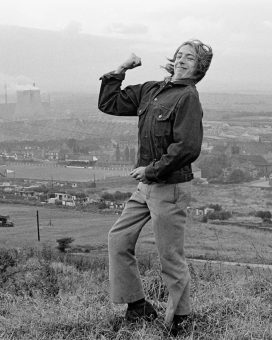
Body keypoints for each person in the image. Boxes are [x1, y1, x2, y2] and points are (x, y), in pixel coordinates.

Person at [98, 39, 213, 334]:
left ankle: (181, 319)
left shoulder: (188, 97)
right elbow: (109, 103)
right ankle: (137, 306)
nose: (182, 59)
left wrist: (151, 170)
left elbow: (187, 147)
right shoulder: (151, 90)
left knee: (170, 255)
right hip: (146, 187)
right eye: (179, 54)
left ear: (199, 68)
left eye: (190, 57)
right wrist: (122, 69)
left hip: (169, 187)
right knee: (118, 239)